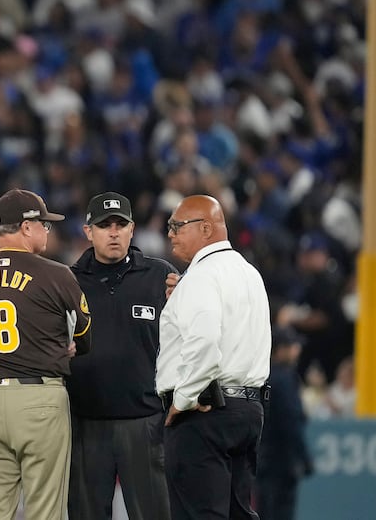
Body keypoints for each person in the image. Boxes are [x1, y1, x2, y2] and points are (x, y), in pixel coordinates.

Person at [0, 189, 91, 520]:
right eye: (44, 224)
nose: (48, 230)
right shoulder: (57, 273)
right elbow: (84, 337)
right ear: (27, 226)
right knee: (44, 510)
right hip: (39, 398)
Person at [155, 194, 271, 520]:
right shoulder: (249, 273)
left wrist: (184, 397)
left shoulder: (202, 275)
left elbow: (205, 342)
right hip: (247, 410)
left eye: (178, 226)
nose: (171, 234)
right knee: (238, 513)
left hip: (205, 413)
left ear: (206, 228)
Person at [67, 192, 174, 520]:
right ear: (89, 232)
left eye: (120, 224)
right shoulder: (67, 281)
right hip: (85, 423)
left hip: (144, 422)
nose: (113, 232)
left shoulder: (161, 277)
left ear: (132, 229)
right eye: (104, 225)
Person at [256, 327, 312, 520]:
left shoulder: (262, 374)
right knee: (281, 512)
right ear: (280, 349)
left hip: (262, 457)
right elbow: (290, 421)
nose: (297, 350)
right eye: (292, 346)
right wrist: (303, 457)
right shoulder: (286, 379)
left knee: (264, 510)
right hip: (282, 459)